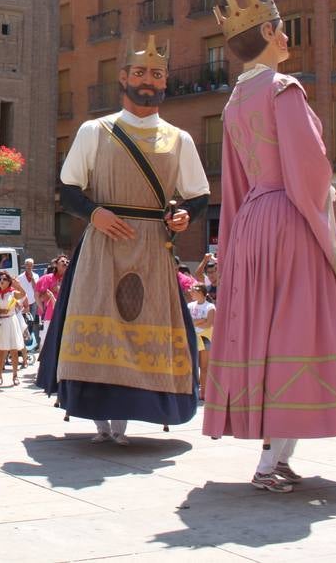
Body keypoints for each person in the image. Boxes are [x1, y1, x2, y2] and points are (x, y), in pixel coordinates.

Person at [200, 0, 336, 494]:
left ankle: (279, 455)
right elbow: (308, 167)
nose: (287, 34)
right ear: (269, 33)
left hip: (252, 222)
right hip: (291, 217)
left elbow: (234, 181)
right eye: (281, 25)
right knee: (298, 332)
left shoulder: (234, 103)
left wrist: (231, 246)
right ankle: (268, 464)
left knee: (271, 337)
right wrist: (324, 215)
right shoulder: (282, 89)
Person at [40, 35, 210, 445]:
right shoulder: (94, 130)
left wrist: (186, 216)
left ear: (165, 81)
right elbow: (70, 189)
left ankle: (131, 416)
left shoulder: (179, 138)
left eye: (156, 73)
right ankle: (99, 418)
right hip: (103, 241)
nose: (147, 80)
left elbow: (199, 194)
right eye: (139, 72)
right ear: (123, 78)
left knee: (145, 322)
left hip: (153, 243)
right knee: (102, 319)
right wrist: (94, 213)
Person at [0, 272, 27, 387]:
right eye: (0, 279)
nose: (2, 281)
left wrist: (18, 285)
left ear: (9, 282)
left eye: (5, 279)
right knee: (0, 351)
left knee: (14, 350)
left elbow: (23, 294)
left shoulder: (13, 293)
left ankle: (15, 375)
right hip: (1, 322)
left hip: (11, 321)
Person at [187, 284, 215, 399]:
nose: (191, 293)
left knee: (204, 367)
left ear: (200, 293)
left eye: (193, 291)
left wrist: (196, 322)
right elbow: (187, 321)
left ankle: (203, 393)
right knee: (191, 365)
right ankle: (191, 391)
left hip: (205, 338)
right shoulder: (189, 306)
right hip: (192, 337)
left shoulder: (210, 307)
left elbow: (209, 323)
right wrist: (201, 320)